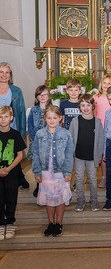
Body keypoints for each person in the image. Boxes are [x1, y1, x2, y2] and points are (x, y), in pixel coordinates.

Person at [32, 105, 74, 237]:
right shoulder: (39, 134)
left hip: (60, 172)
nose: (51, 120)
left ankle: (59, 223)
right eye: (49, 117)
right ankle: (50, 222)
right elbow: (36, 154)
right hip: (46, 172)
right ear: (45, 118)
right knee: (49, 199)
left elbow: (69, 154)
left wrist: (68, 172)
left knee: (60, 198)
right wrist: (37, 172)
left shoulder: (66, 134)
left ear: (60, 118)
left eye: (54, 117)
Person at [69, 94, 104, 212]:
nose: (86, 108)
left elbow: (100, 140)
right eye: (83, 105)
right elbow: (70, 139)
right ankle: (80, 200)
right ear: (79, 107)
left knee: (93, 179)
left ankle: (94, 200)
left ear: (93, 106)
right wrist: (71, 155)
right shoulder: (75, 121)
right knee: (78, 178)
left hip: (92, 157)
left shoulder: (97, 122)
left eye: (88, 105)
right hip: (78, 155)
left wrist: (99, 155)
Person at [0, 62, 28, 190]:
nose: (4, 75)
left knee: (15, 155)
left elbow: (21, 112)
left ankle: (17, 178)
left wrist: (22, 132)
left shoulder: (16, 90)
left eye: (7, 72)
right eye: (1, 72)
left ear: (10, 75)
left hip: (14, 127)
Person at [0, 106, 26, 240]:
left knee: (11, 198)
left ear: (11, 118)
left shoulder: (15, 134)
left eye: (5, 116)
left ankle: (9, 222)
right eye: (0, 117)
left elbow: (20, 155)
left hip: (11, 173)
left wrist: (8, 169)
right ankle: (0, 224)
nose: (3, 119)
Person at [27, 85, 52, 197]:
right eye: (40, 95)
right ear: (37, 97)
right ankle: (38, 186)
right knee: (38, 165)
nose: (42, 97)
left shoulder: (52, 109)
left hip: (49, 141)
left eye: (45, 94)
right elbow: (30, 125)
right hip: (36, 141)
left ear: (49, 96)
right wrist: (34, 138)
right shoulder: (33, 110)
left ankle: (47, 186)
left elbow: (55, 124)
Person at [93, 73, 111, 188]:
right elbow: (95, 113)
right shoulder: (96, 97)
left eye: (108, 83)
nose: (106, 85)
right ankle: (104, 177)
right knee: (102, 155)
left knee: (110, 155)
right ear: (101, 84)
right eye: (104, 83)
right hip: (100, 129)